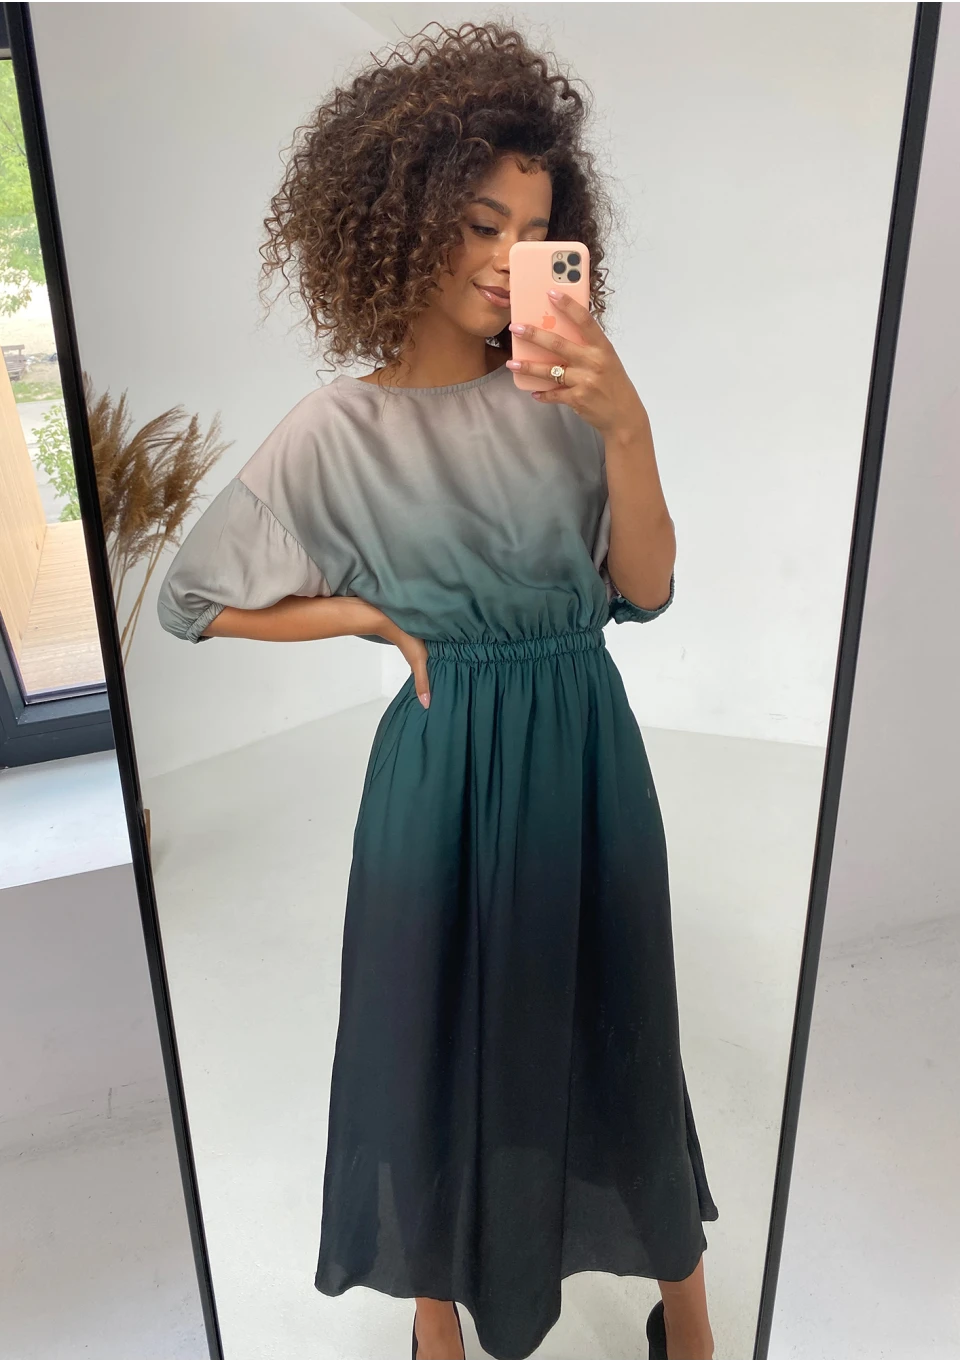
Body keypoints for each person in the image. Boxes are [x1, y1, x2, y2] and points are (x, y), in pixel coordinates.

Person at [156, 21, 718, 1361]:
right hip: (440, 762)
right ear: (401, 222)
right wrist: (365, 612)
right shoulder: (334, 431)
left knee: (621, 1024)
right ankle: (435, 1320)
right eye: (479, 224)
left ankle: (686, 1312)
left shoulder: (571, 401)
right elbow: (191, 598)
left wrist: (627, 426)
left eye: (533, 232)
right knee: (429, 1036)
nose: (505, 259)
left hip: (584, 752)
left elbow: (645, 591)